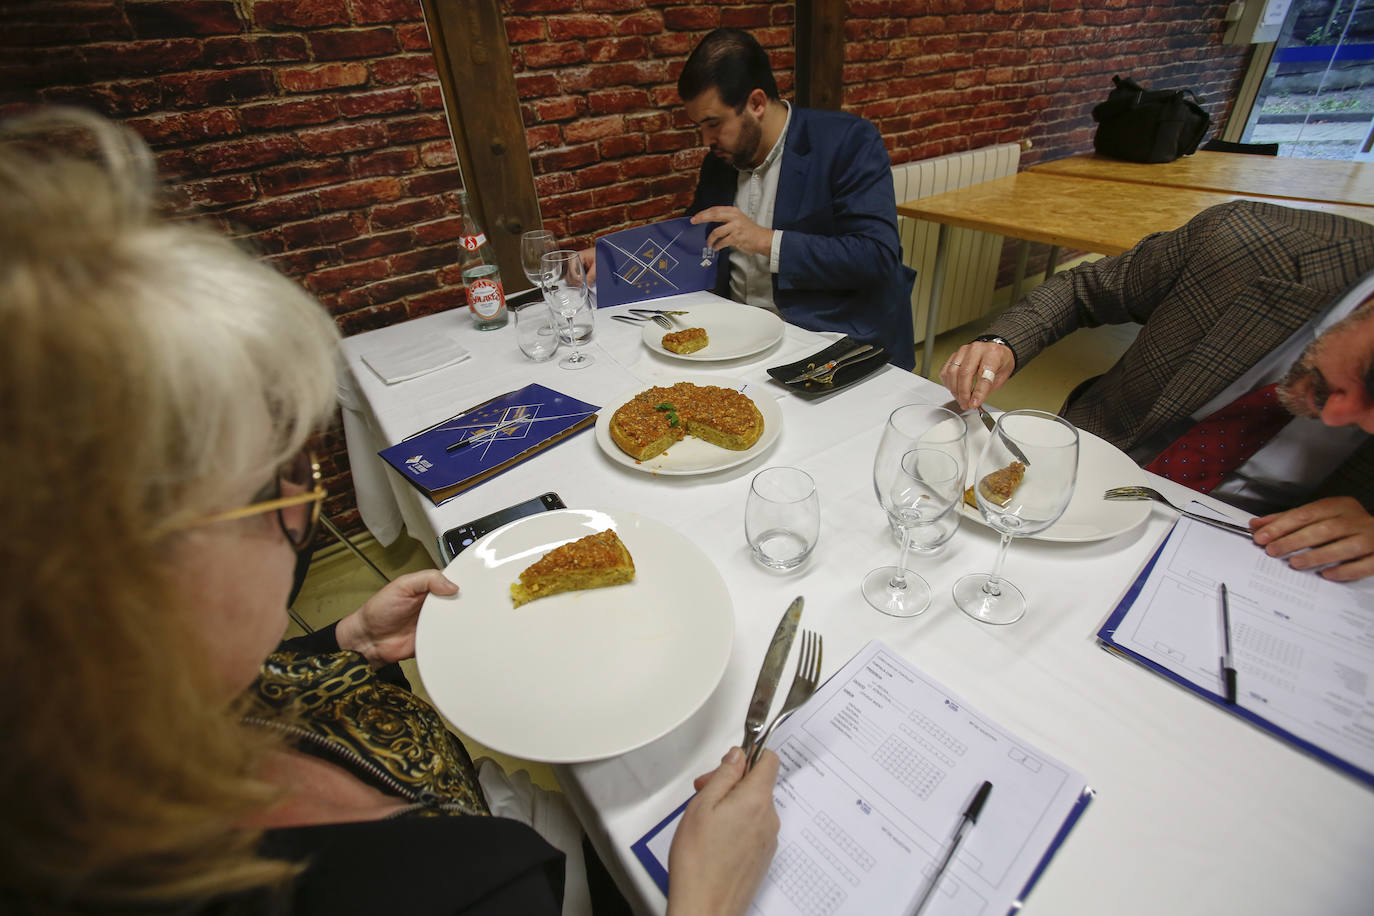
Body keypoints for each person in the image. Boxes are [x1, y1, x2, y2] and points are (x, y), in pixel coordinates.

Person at [0, 109, 780, 915]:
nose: (306, 502)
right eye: (275, 484)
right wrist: (703, 902)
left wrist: (342, 643)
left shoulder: (108, 730)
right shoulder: (461, 892)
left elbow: (237, 700)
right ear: (108, 580)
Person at [939, 200, 1374, 582]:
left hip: (1261, 547)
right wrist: (1003, 343)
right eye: (1362, 378)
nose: (1337, 418)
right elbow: (1084, 289)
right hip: (1099, 472)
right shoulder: (1244, 240)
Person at [584, 28, 917, 370]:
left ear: (757, 103)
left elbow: (876, 257)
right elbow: (692, 240)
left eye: (713, 123)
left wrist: (765, 241)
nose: (706, 139)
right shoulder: (722, 159)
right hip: (735, 337)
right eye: (699, 125)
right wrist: (614, 259)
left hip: (827, 342)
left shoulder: (848, 142)